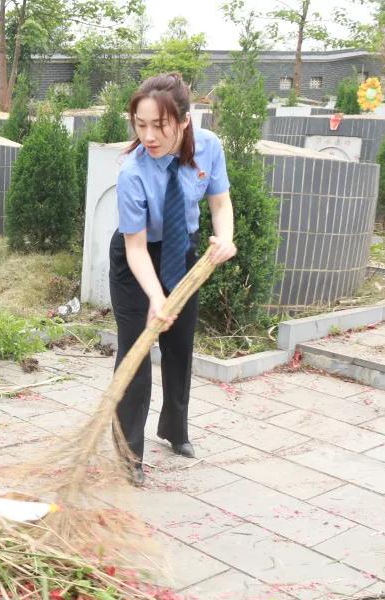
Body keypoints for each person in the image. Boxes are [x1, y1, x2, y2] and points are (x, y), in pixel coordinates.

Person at [111, 73, 236, 487]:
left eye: (159, 126)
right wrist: (154, 297)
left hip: (182, 252)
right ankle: (129, 450)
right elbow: (135, 248)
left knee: (180, 345)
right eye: (140, 124)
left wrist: (226, 236)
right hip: (137, 262)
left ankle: (174, 430)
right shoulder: (132, 172)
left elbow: (219, 201)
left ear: (183, 121)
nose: (148, 135)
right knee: (137, 352)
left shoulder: (209, 147)